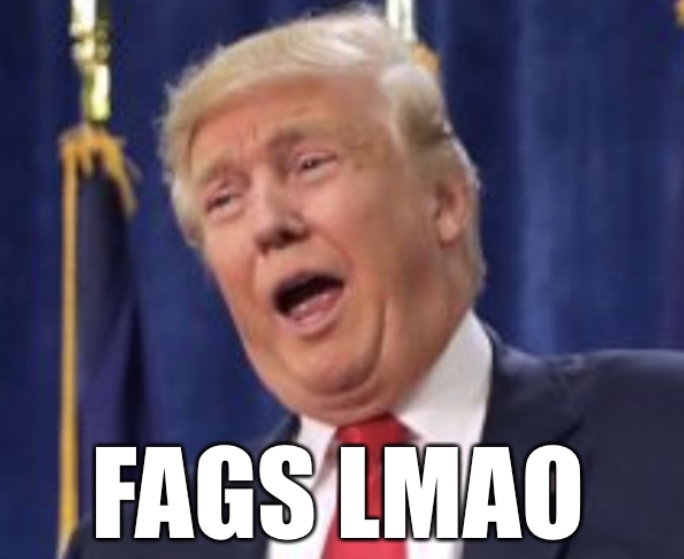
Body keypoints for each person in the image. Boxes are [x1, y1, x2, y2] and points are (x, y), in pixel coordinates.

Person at [66, 6, 684, 559]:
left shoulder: (663, 438)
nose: (268, 223)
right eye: (225, 199)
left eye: (310, 164)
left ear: (444, 201)